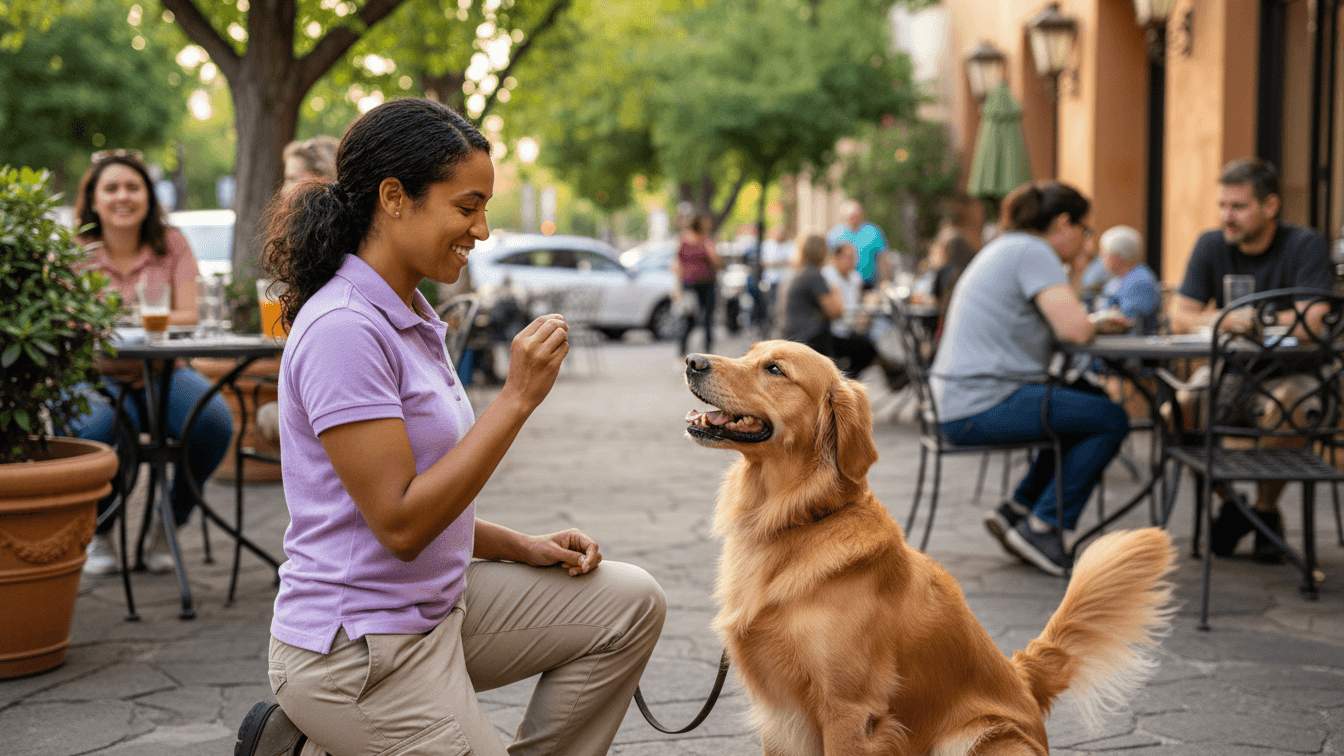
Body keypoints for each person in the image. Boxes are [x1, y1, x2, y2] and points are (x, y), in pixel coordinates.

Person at [233, 98, 665, 756]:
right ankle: (319, 730)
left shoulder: (410, 312)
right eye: (468, 207)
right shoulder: (344, 328)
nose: (483, 230)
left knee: (629, 602)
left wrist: (520, 545)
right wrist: (516, 398)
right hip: (357, 650)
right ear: (395, 198)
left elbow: (420, 497)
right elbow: (401, 524)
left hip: (438, 610)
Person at [932, 182, 1130, 576]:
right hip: (981, 404)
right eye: (1085, 230)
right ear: (1063, 223)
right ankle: (1044, 527)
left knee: (1081, 400)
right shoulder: (1032, 251)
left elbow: (1065, 321)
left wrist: (1075, 277)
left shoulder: (1011, 247)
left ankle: (1018, 511)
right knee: (1110, 418)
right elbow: (1074, 329)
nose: (1086, 240)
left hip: (961, 399)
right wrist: (1078, 273)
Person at [61, 150, 235, 576]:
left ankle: (169, 521)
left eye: (133, 187)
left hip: (163, 373)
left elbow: (190, 314)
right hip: (94, 375)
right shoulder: (75, 250)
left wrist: (118, 320)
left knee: (214, 422)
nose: (123, 196)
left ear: (148, 195)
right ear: (94, 199)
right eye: (112, 188)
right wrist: (147, 319)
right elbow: (66, 320)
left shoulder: (171, 242)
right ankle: (100, 528)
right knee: (103, 429)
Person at [1169, 157, 1332, 560]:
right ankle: (1234, 505)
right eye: (1223, 206)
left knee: (1293, 405)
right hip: (1227, 369)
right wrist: (1225, 321)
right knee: (1175, 412)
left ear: (1270, 206)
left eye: (1238, 207)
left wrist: (1255, 320)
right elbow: (1179, 316)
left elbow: (1312, 318)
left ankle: (1263, 510)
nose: (1228, 217)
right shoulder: (1211, 245)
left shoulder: (1304, 244)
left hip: (1291, 372)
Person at [777, 234, 844, 358]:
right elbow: (836, 311)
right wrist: (834, 286)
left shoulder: (793, 273)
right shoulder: (814, 275)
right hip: (808, 340)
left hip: (787, 335)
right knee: (863, 346)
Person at [821, 241, 878, 379]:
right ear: (836, 258)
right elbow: (835, 308)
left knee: (874, 341)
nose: (852, 261)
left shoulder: (855, 277)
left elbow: (858, 304)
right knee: (867, 347)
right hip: (833, 329)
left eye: (853, 257)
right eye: (847, 257)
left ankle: (849, 379)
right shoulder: (828, 275)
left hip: (852, 326)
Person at [1092, 225, 1161, 335]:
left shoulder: (1139, 281)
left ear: (1117, 257)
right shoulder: (1116, 279)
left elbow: (1130, 322)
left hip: (1131, 347)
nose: (1101, 258)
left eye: (1104, 253)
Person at [671, 211, 722, 356]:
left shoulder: (683, 240)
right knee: (705, 318)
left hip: (690, 283)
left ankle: (683, 350)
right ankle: (706, 350)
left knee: (690, 318)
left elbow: (677, 264)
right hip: (703, 283)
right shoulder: (705, 240)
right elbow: (716, 260)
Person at [827, 200, 889, 290]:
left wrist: (884, 281)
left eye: (857, 215)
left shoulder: (873, 232)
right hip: (842, 282)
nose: (854, 218)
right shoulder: (835, 234)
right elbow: (829, 259)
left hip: (869, 283)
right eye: (851, 216)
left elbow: (883, 258)